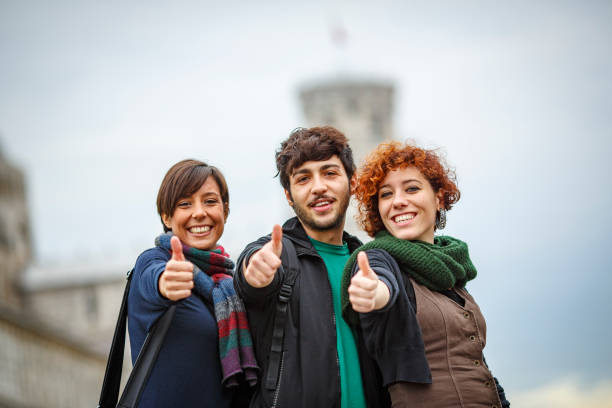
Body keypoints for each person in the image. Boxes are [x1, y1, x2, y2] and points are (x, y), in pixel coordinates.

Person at [341, 141, 510, 408]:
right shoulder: (378, 258)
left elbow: (477, 363)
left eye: (412, 188)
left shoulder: (449, 271)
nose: (398, 202)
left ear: (439, 198)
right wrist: (376, 293)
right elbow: (383, 285)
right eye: (386, 194)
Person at [234, 127, 389, 408]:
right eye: (303, 178)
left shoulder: (366, 262)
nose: (318, 187)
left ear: (353, 182)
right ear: (289, 195)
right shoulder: (278, 254)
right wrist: (254, 273)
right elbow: (252, 272)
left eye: (329, 173)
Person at [128, 159, 258, 408]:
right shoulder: (154, 261)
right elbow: (153, 280)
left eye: (210, 201)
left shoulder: (230, 283)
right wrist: (166, 283)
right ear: (167, 217)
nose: (199, 212)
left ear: (225, 210)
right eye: (185, 204)